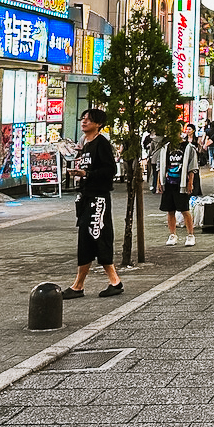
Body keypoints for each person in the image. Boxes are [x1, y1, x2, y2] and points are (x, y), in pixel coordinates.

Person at [62, 109, 122, 299]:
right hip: (86, 197)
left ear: (98, 124)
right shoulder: (85, 144)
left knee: (99, 237)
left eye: (89, 119)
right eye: (83, 118)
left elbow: (109, 169)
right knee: (86, 240)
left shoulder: (101, 143)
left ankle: (113, 281)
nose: (84, 121)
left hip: (99, 199)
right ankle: (79, 285)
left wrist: (87, 174)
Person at [157, 123, 199, 247]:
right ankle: (172, 234)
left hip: (182, 183)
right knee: (170, 210)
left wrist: (190, 182)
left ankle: (190, 235)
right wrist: (159, 181)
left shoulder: (188, 147)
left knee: (185, 209)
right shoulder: (165, 147)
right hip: (168, 182)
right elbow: (160, 166)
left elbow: (192, 167)